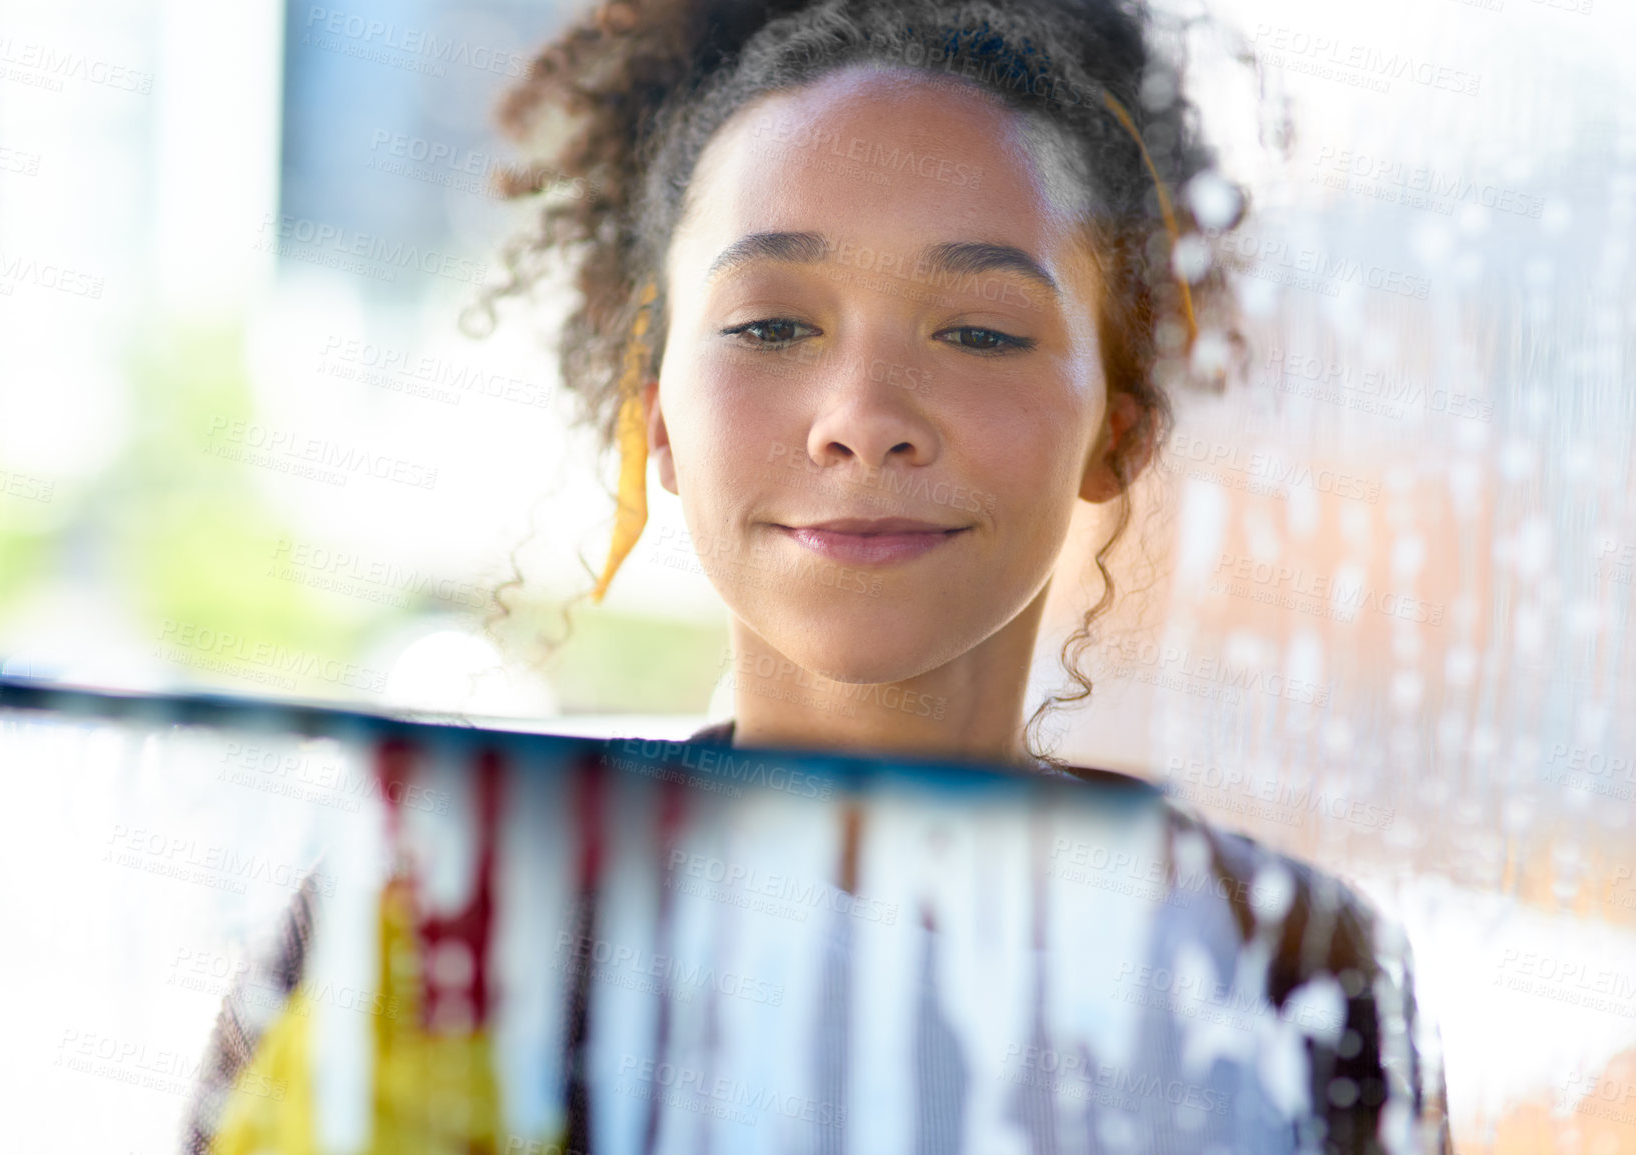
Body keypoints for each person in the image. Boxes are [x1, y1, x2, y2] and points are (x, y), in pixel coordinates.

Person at [184, 1, 1453, 1151]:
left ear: (1116, 425)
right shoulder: (449, 925)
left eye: (981, 331)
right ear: (657, 417)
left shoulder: (1290, 972)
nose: (863, 416)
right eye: (772, 325)